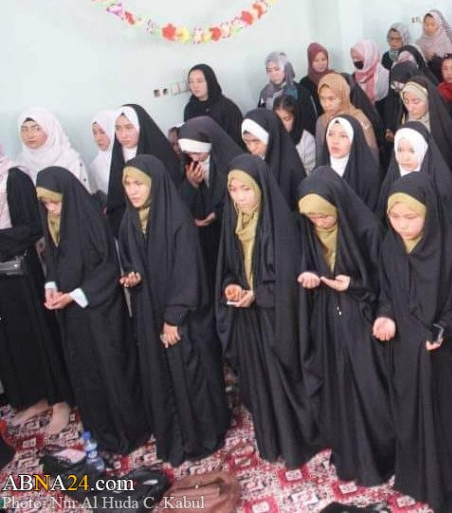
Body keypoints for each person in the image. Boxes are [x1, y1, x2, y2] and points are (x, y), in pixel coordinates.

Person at [376, 172, 452, 511]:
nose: (402, 225)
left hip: (443, 353)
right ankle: (417, 478)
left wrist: (444, 329)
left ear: (429, 212)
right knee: (410, 415)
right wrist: (385, 315)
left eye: (411, 217)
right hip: (406, 351)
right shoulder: (390, 247)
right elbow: (387, 293)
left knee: (447, 420)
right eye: (395, 217)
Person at [117, 155, 230, 466]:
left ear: (154, 184)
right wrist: (131, 276)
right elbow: (129, 260)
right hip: (148, 310)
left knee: (190, 373)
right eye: (128, 184)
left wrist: (173, 318)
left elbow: (188, 271)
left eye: (139, 184)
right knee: (161, 374)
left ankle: (201, 436)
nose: (133, 190)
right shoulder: (129, 220)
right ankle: (175, 438)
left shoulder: (176, 217)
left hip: (181, 316)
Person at [36, 167, 150, 454]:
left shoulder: (88, 219)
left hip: (101, 312)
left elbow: (109, 268)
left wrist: (75, 295)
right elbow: (54, 259)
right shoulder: (53, 220)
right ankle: (103, 432)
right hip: (73, 316)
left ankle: (131, 430)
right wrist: (51, 285)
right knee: (87, 372)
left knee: (113, 369)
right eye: (46, 203)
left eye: (55, 202)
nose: (51, 208)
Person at [215, 155, 319, 469]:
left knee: (283, 378)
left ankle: (297, 442)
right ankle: (272, 441)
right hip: (250, 319)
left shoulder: (280, 224)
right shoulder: (233, 222)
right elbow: (227, 268)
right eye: (233, 190)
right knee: (259, 380)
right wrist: (232, 287)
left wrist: (257, 295)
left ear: (260, 187)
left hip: (277, 318)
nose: (239, 197)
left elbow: (288, 281)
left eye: (246, 189)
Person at [296, 169, 395, 485]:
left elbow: (387, 284)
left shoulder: (366, 229)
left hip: (363, 322)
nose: (319, 222)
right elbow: (306, 265)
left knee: (372, 391)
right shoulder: (309, 230)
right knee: (340, 389)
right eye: (312, 217)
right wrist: (309, 276)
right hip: (328, 321)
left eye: (324, 215)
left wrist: (353, 285)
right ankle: (351, 453)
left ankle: (383, 456)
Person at [0, 146, 73, 435]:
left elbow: (33, 226)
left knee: (38, 334)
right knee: (14, 339)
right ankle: (36, 397)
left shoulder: (15, 178)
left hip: (22, 271)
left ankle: (60, 401)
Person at [177, 115, 246, 288]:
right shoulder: (189, 163)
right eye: (189, 153)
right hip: (205, 236)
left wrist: (217, 213)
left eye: (197, 152)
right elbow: (180, 199)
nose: (193, 158)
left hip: (230, 230)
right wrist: (191, 184)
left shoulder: (231, 159)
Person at [106, 104, 183, 235]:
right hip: (134, 230)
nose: (123, 135)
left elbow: (174, 192)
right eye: (118, 128)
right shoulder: (118, 157)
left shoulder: (160, 153)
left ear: (139, 127)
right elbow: (116, 201)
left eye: (129, 128)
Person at [376, 122, 452, 223]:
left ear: (423, 150)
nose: (405, 157)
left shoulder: (442, 183)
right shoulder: (391, 178)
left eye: (412, 151)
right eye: (400, 150)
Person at [240, 108, 306, 209]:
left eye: (256, 141)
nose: (252, 148)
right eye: (247, 142)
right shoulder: (249, 162)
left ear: (270, 138)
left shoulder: (291, 168)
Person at [315, 114, 381, 212]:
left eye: (343, 136)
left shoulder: (368, 174)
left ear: (353, 139)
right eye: (331, 134)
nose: (335, 141)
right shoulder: (319, 169)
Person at [398, 77, 452, 173]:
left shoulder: (441, 127)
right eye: (406, 101)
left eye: (416, 102)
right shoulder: (404, 121)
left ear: (428, 100)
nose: (410, 108)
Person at [15, 107, 91, 189]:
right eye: (24, 130)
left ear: (49, 129)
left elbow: (81, 194)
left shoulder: (71, 161)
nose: (30, 135)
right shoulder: (21, 162)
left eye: (36, 129)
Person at [315, 72, 378, 162]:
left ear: (343, 96)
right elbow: (320, 156)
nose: (326, 104)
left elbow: (371, 157)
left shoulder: (359, 120)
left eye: (331, 99)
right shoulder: (322, 121)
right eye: (322, 99)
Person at [184, 64, 246, 148]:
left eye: (200, 81)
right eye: (191, 82)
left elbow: (236, 139)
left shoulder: (227, 106)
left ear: (210, 81)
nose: (195, 86)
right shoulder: (190, 108)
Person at [257, 52, 319, 135]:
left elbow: (310, 121)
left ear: (286, 69)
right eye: (269, 71)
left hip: (298, 137)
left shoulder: (300, 92)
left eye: (277, 69)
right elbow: (261, 117)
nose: (273, 74)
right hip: (274, 136)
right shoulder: (265, 93)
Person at [273, 95, 317, 174]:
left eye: (287, 119)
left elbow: (310, 172)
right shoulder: (270, 136)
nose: (281, 123)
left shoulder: (307, 140)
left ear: (296, 118)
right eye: (278, 119)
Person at [299, 43, 334, 116]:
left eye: (323, 59)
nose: (321, 63)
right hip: (315, 121)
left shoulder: (335, 77)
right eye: (316, 60)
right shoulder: (304, 83)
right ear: (310, 62)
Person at [351, 39, 390, 104]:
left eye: (358, 58)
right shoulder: (353, 77)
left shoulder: (386, 76)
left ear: (369, 56)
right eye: (353, 58)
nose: (355, 61)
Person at [88, 110, 116, 199]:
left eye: (102, 132)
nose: (98, 138)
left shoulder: (128, 157)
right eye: (94, 133)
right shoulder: (95, 166)